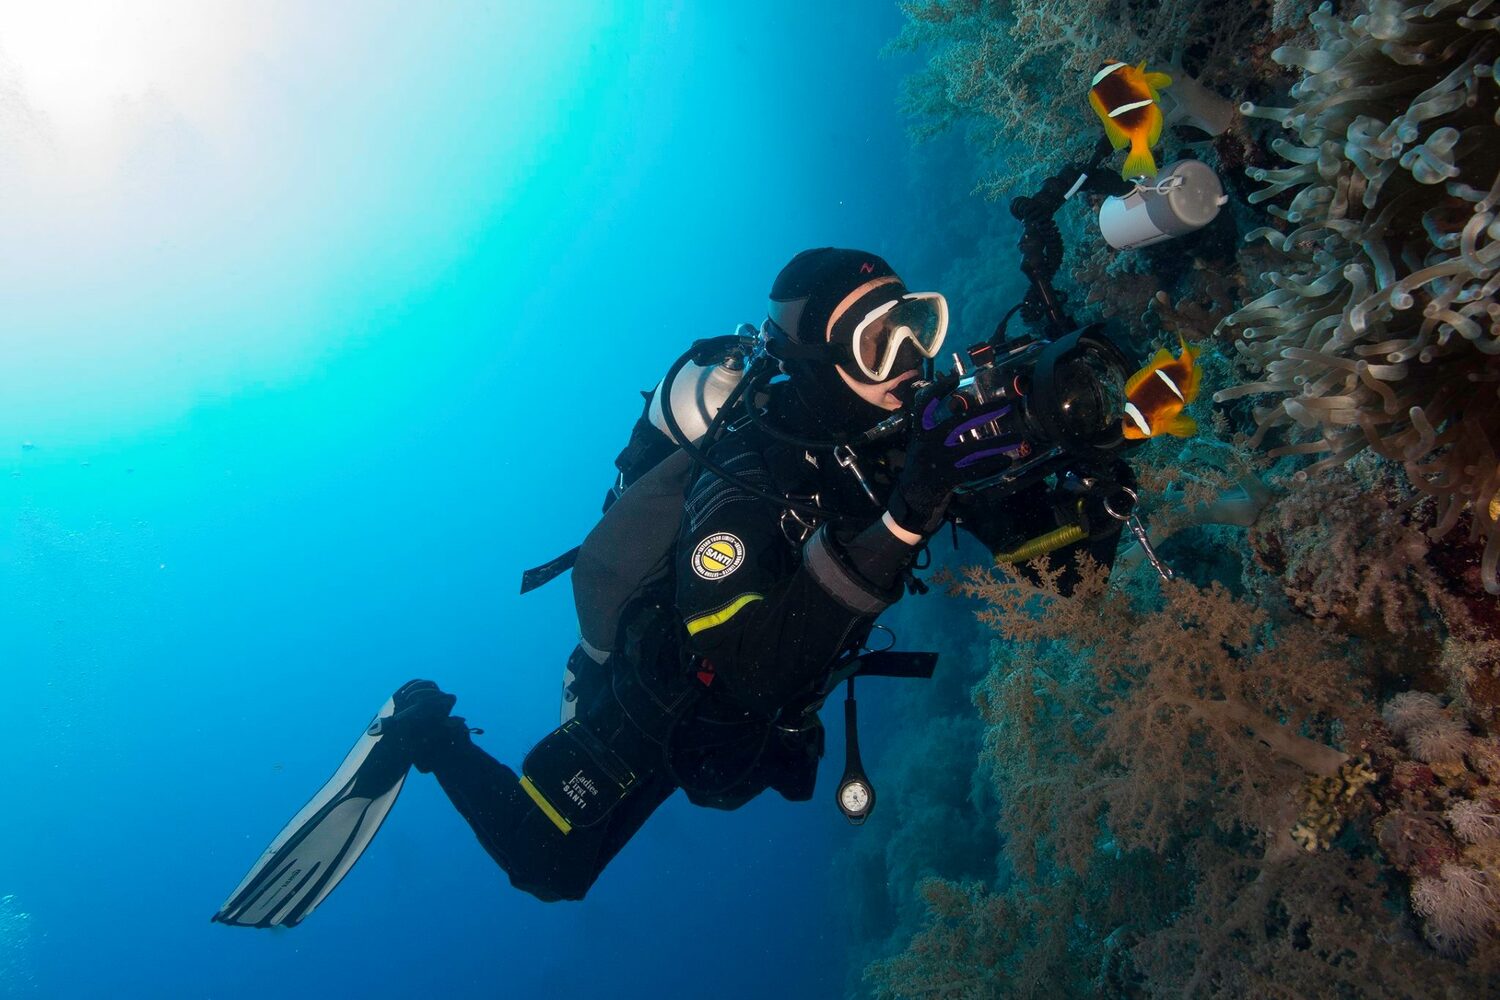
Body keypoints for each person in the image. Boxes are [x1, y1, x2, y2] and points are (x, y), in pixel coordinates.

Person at [212, 248, 1137, 927]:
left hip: (766, 696)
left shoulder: (899, 440)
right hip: (665, 684)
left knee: (735, 773)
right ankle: (425, 730)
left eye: (915, 326)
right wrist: (909, 512)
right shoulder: (743, 481)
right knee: (548, 867)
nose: (909, 362)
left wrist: (1093, 482)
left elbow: (1066, 580)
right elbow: (748, 667)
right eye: (875, 340)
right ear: (817, 361)